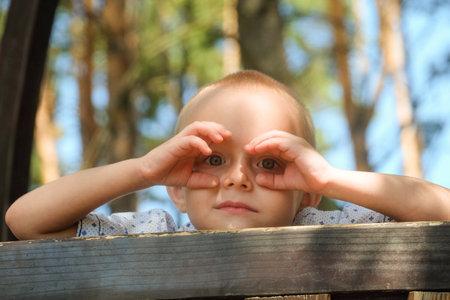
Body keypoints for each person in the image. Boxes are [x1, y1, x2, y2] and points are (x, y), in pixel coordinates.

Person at [5, 70, 450, 240]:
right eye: (213, 159)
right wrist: (143, 171)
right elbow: (25, 221)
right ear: (176, 190)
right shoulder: (154, 233)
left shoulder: (323, 229)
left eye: (270, 163)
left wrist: (330, 179)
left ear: (306, 194)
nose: (238, 179)